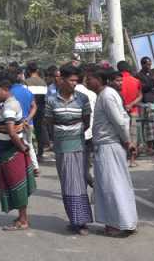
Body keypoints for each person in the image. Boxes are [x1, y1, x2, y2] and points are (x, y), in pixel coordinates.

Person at [85, 66, 138, 237]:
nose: (87, 81)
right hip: (108, 145)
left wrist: (128, 141)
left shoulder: (107, 95)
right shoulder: (106, 94)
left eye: (90, 78)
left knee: (111, 185)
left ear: (99, 80)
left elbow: (120, 121)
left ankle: (118, 223)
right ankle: (124, 221)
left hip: (109, 146)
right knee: (115, 184)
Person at [44, 65, 93, 235]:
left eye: (76, 80)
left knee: (79, 183)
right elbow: (48, 122)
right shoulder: (51, 100)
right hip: (61, 147)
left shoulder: (82, 98)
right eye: (71, 80)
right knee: (67, 183)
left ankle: (82, 221)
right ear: (62, 80)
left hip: (79, 145)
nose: (74, 83)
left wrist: (72, 129)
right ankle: (75, 220)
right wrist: (61, 131)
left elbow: (86, 121)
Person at [0, 77, 36, 231]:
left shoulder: (9, 106)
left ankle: (23, 220)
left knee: (17, 185)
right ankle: (22, 217)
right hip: (8, 149)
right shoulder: (5, 104)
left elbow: (10, 131)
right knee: (15, 184)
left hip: (12, 150)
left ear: (5, 89)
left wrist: (22, 148)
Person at [8, 70, 39, 175]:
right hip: (28, 123)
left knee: (17, 146)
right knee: (29, 144)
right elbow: (34, 107)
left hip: (16, 124)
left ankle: (22, 168)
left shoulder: (10, 93)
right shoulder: (27, 91)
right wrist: (28, 119)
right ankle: (35, 167)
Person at [117, 61, 142, 167]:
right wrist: (131, 105)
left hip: (119, 112)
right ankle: (132, 161)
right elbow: (140, 96)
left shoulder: (117, 81)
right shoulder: (136, 81)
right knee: (133, 136)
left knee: (120, 136)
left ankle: (121, 160)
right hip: (133, 111)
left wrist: (125, 106)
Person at [137, 57, 154, 154]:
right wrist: (153, 78)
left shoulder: (151, 73)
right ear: (142, 64)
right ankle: (149, 147)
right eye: (147, 64)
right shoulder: (139, 75)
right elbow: (144, 88)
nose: (149, 66)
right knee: (150, 126)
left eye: (150, 64)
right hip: (148, 102)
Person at [25, 62, 49, 163]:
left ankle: (31, 152)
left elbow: (26, 98)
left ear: (28, 71)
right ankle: (40, 153)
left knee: (29, 131)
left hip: (30, 109)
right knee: (39, 130)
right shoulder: (43, 82)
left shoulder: (26, 82)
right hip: (41, 109)